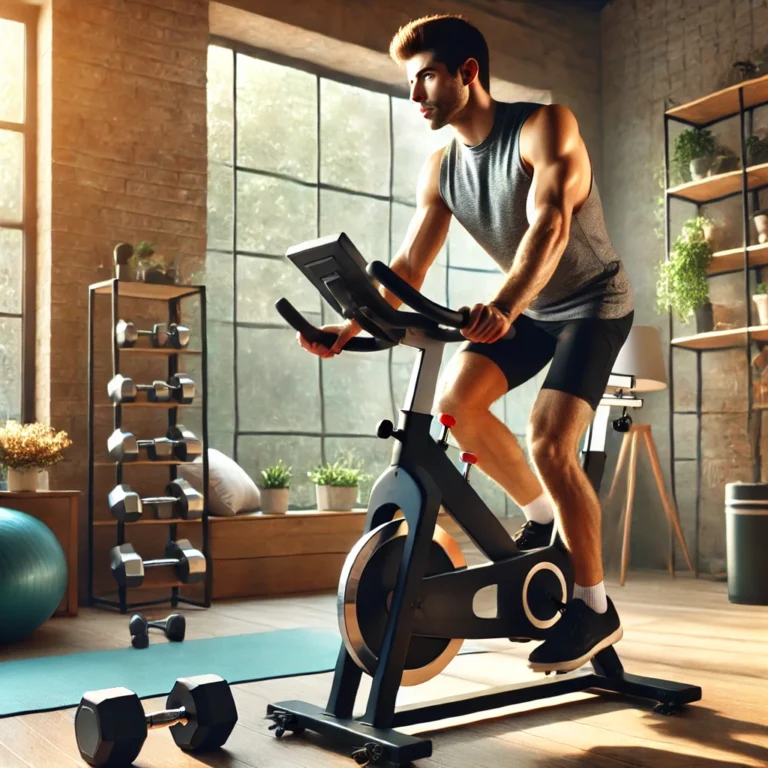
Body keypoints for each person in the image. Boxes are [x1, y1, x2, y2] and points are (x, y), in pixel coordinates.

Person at [297, 13, 634, 674]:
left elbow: (551, 225)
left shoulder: (545, 126)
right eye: (410, 82)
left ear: (468, 73)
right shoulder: (444, 164)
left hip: (592, 301)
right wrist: (352, 325)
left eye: (425, 77)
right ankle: (541, 520)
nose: (414, 95)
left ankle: (595, 609)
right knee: (456, 404)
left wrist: (505, 305)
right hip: (532, 310)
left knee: (547, 437)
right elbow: (411, 265)